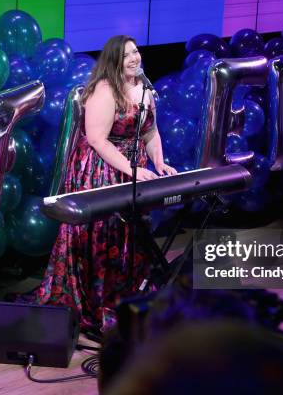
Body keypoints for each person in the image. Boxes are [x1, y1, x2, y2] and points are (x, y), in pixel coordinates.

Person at [16, 35, 176, 333]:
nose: (134, 58)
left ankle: (127, 295)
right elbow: (97, 140)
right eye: (127, 54)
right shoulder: (104, 91)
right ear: (113, 60)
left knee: (130, 234)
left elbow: (150, 133)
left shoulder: (144, 88)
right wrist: (130, 169)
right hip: (102, 169)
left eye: (136, 52)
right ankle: (97, 299)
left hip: (133, 168)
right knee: (102, 234)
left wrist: (159, 162)